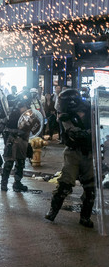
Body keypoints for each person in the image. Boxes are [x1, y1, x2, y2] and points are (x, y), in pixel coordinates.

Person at [44, 89, 95, 228]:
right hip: (72, 153)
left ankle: (85, 217)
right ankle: (53, 212)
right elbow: (75, 133)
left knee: (91, 188)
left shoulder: (91, 111)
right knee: (65, 185)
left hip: (89, 153)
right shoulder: (66, 116)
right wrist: (92, 133)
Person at [0, 100, 30, 192]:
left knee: (20, 163)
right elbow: (2, 123)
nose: (25, 109)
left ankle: (17, 183)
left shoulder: (28, 115)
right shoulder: (12, 115)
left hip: (23, 141)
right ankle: (4, 183)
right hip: (12, 140)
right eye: (23, 107)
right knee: (9, 163)